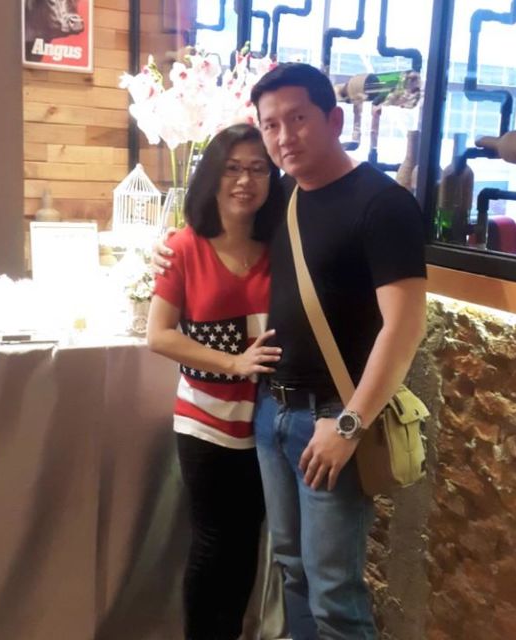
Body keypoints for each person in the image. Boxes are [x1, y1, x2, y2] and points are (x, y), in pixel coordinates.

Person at [155, 63, 427, 640]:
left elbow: (404, 328)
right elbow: (220, 224)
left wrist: (349, 424)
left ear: (334, 119)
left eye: (298, 118)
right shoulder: (284, 199)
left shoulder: (383, 204)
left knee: (334, 593)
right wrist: (169, 248)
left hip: (332, 418)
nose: (283, 137)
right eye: (271, 124)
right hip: (271, 414)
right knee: (293, 573)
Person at [146, 123, 285, 640]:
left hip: (266, 423)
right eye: (232, 168)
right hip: (205, 422)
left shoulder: (281, 248)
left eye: (257, 169)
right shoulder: (184, 247)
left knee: (247, 541)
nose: (245, 180)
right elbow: (159, 335)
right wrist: (234, 364)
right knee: (213, 542)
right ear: (213, 177)